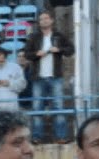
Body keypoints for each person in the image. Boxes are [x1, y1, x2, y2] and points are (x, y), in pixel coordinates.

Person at [22, 13, 74, 144]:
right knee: (37, 108)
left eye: (46, 18)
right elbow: (27, 54)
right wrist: (36, 54)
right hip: (38, 77)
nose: (43, 21)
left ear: (52, 20)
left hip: (55, 76)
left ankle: (61, 136)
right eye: (41, 19)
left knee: (58, 107)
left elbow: (71, 50)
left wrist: (59, 49)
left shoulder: (58, 35)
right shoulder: (34, 37)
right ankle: (37, 137)